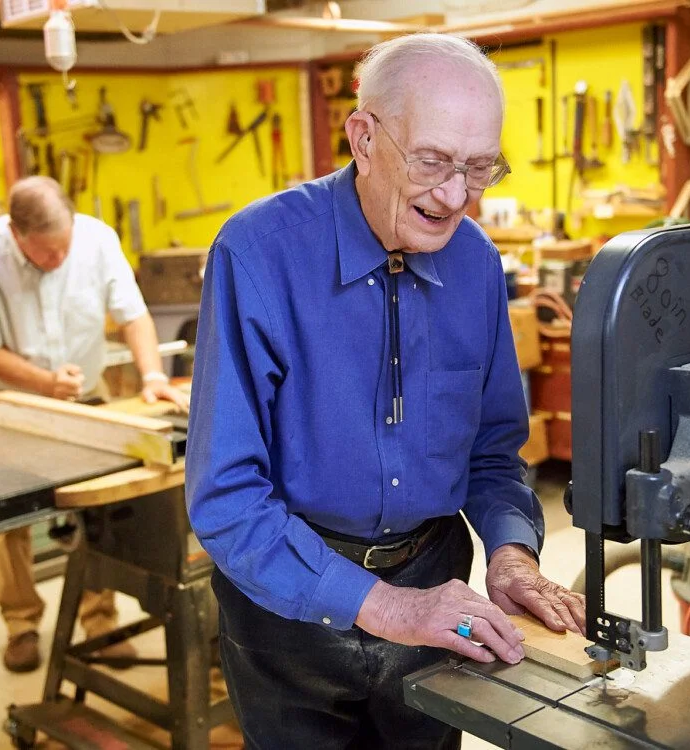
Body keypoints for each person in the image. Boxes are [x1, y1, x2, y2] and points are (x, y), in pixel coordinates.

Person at [186, 33, 586, 749]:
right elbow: (226, 497)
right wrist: (384, 608)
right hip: (289, 609)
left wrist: (510, 550)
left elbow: (492, 455)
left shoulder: (476, 264)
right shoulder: (257, 253)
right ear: (363, 138)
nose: (455, 195)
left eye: (478, 168)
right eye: (432, 161)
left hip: (436, 586)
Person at [0, 176, 190, 673]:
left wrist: (151, 376)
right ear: (16, 235)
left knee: (102, 509)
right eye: (44, 255)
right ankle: (21, 623)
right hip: (7, 400)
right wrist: (43, 382)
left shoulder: (98, 239)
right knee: (8, 520)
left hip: (84, 394)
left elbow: (134, 316)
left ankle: (99, 622)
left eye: (63, 250)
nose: (57, 262)